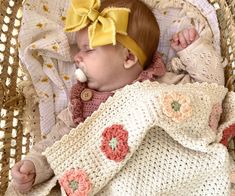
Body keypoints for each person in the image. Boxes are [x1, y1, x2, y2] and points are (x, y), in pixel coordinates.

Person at [8, 0, 227, 195]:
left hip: (177, 174)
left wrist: (194, 50)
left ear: (129, 57)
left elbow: (209, 89)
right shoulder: (81, 107)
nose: (76, 57)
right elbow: (57, 145)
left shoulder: (162, 85)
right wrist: (34, 166)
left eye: (88, 49)